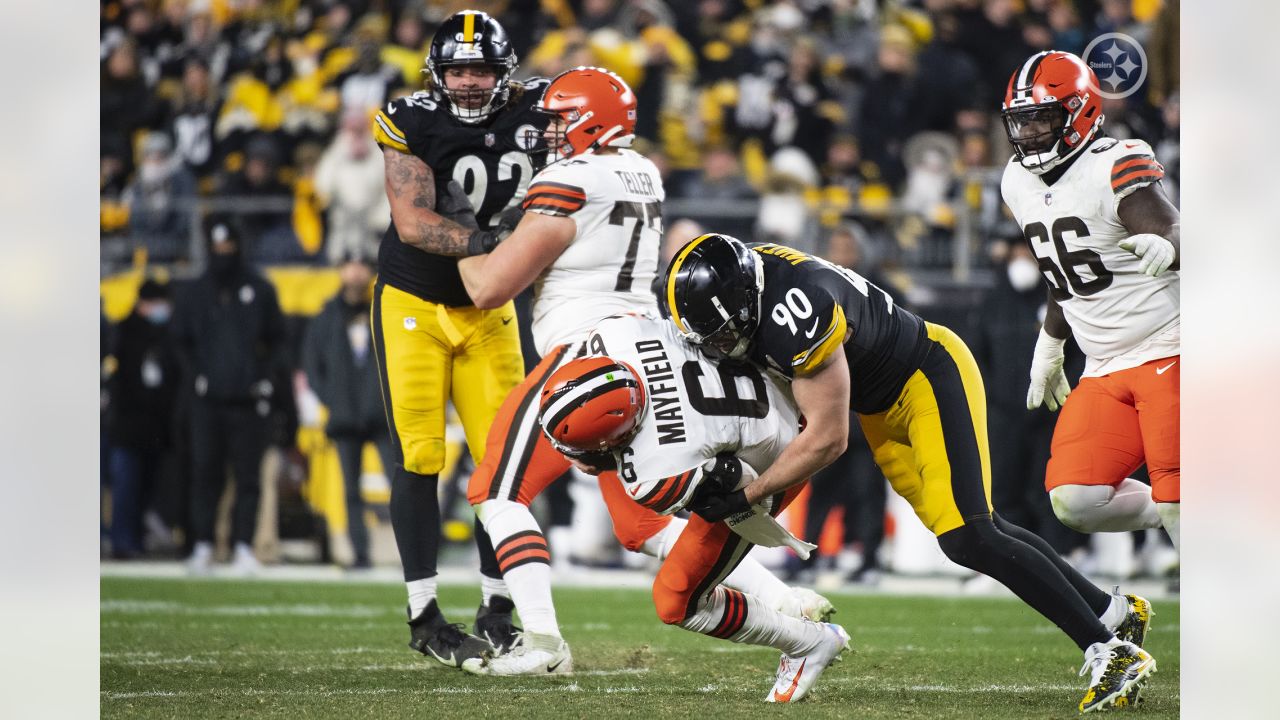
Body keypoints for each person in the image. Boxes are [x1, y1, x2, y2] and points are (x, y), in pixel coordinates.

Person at [661, 233, 1155, 712]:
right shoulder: (753, 283)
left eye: (725, 331)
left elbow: (829, 438)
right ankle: (1112, 613)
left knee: (970, 535)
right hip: (879, 405)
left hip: (924, 375)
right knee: (977, 531)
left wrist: (749, 496)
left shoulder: (795, 309)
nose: (721, 346)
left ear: (746, 299)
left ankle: (1108, 651)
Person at [446, 66, 829, 676]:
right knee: (638, 520)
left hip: (585, 356)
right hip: (646, 346)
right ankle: (786, 599)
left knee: (496, 489)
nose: (548, 131)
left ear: (589, 121)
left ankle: (544, 644)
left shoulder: (569, 179)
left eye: (558, 118)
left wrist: (458, 234)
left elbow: (491, 286)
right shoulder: (642, 170)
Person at [535, 314, 849, 703]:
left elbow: (739, 487)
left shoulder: (654, 473)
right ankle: (787, 601)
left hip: (785, 457)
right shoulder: (617, 331)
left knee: (677, 600)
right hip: (788, 386)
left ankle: (808, 644)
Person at [367, 9, 547, 668]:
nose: (470, 82)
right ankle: (423, 614)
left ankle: (497, 607)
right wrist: (494, 242)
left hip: (490, 305)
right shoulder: (411, 118)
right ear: (437, 74)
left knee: (502, 463)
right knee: (419, 456)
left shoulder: (543, 112)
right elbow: (413, 221)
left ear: (506, 73)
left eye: (482, 70)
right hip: (414, 301)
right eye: (459, 70)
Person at [998, 51, 1181, 552]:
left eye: (1041, 118)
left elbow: (1178, 231)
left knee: (1179, 496)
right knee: (1076, 499)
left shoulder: (1113, 162)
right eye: (1021, 121)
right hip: (1102, 361)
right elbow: (1067, 271)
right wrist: (1051, 345)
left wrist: (1171, 246)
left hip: (1170, 345)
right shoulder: (1016, 180)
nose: (1029, 134)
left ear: (1078, 112)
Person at [172, 215, 286, 575]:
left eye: (229, 247)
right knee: (205, 472)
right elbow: (180, 342)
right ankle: (203, 544)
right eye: (217, 248)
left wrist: (265, 379)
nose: (223, 253)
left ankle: (243, 547)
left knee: (249, 477)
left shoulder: (259, 288)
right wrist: (196, 378)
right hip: (207, 401)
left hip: (249, 401)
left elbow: (278, 340)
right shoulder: (195, 292)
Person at [301, 253, 390, 569]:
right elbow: (312, 367)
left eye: (361, 268)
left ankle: (414, 554)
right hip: (344, 418)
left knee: (402, 486)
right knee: (351, 492)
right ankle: (361, 554)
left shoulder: (384, 312)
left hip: (382, 417)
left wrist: (385, 400)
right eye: (349, 268)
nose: (355, 274)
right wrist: (334, 400)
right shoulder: (325, 317)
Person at [104, 279, 180, 558]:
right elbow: (119, 382)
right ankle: (123, 541)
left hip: (156, 427)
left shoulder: (167, 336)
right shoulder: (123, 333)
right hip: (127, 425)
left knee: (146, 489)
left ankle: (136, 539)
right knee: (126, 487)